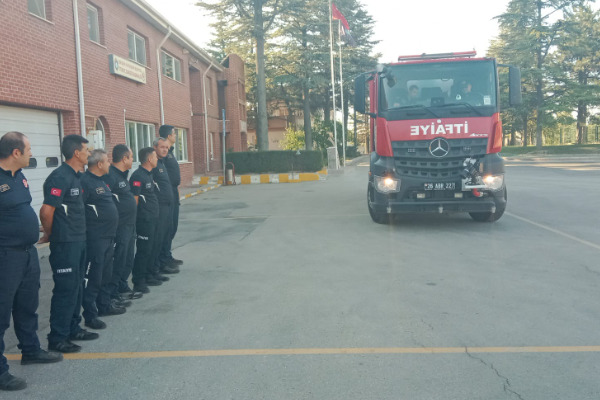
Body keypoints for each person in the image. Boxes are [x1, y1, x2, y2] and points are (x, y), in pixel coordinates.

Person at [0, 132, 63, 391]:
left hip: (27, 254)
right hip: (6, 257)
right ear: (16, 152)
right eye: (28, 149)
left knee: (27, 306)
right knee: (1, 314)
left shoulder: (19, 176)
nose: (31, 153)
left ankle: (31, 350)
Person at [40, 135, 99, 353]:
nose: (89, 153)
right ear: (76, 153)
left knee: (76, 286)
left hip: (79, 239)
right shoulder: (59, 177)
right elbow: (46, 212)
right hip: (65, 243)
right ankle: (57, 337)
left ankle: (73, 328)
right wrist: (51, 234)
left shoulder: (78, 177)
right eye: (86, 150)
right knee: (65, 289)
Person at [80, 149, 125, 331]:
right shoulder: (85, 182)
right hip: (96, 239)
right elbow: (80, 211)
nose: (109, 164)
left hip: (108, 237)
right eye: (107, 161)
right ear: (99, 164)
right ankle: (90, 315)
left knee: (105, 274)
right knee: (93, 277)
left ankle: (105, 305)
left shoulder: (102, 181)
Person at [102, 145, 143, 301]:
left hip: (129, 225)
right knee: (118, 259)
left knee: (127, 259)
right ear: (124, 158)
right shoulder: (110, 176)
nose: (133, 160)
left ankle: (122, 285)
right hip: (120, 227)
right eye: (131, 157)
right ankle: (113, 292)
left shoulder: (123, 175)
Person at [130, 147, 160, 294]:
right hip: (144, 220)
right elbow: (134, 200)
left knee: (151, 248)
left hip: (153, 218)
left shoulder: (149, 174)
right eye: (155, 157)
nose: (157, 159)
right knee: (143, 250)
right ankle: (138, 280)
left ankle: (149, 274)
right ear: (149, 159)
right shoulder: (137, 176)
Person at [150, 137, 179, 278]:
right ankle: (156, 267)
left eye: (167, 148)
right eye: (162, 147)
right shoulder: (153, 165)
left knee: (167, 234)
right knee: (158, 238)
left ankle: (163, 262)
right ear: (155, 147)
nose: (165, 150)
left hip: (168, 205)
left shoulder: (162, 163)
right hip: (159, 207)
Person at [157, 125, 184, 269]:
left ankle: (167, 255)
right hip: (166, 196)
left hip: (173, 193)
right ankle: (163, 259)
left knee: (172, 227)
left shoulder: (170, 153)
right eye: (174, 133)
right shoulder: (162, 156)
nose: (176, 136)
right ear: (169, 136)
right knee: (166, 228)